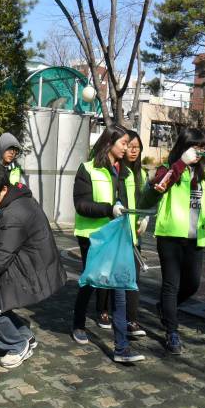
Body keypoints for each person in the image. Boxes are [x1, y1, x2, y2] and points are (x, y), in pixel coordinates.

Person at [0, 165, 66, 369]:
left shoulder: (13, 214)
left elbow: (1, 260)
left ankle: (17, 346)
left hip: (31, 274)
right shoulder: (16, 201)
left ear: (4, 190)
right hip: (28, 266)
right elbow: (6, 246)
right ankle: (25, 336)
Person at [140, 128, 205, 355]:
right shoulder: (170, 169)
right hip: (171, 236)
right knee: (171, 285)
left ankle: (166, 310)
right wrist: (181, 164)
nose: (200, 153)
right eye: (197, 147)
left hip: (196, 237)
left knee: (193, 284)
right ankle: (172, 332)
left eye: (203, 148)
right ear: (185, 147)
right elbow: (158, 186)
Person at [72, 124, 145, 363]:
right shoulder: (88, 169)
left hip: (119, 237)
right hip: (93, 236)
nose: (127, 148)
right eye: (123, 143)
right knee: (91, 281)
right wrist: (108, 210)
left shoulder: (126, 171)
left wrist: (139, 220)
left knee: (120, 288)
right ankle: (78, 322)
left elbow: (131, 201)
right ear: (109, 143)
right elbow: (81, 204)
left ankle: (121, 347)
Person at [96, 129, 150, 337]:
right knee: (108, 274)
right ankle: (102, 310)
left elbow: (145, 201)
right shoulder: (115, 170)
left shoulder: (142, 174)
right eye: (130, 146)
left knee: (132, 277)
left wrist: (145, 218)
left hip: (133, 233)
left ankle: (132, 320)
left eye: (137, 147)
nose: (133, 151)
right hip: (115, 230)